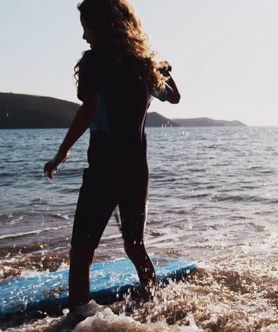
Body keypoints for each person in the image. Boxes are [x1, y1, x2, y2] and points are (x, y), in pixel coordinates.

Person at [44, 0, 180, 311]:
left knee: (81, 253)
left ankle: (77, 323)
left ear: (103, 25)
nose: (84, 37)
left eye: (86, 28)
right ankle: (155, 304)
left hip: (105, 168)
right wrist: (162, 67)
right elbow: (173, 96)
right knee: (135, 246)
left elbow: (90, 107)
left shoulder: (95, 61)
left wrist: (61, 152)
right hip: (137, 171)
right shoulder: (143, 64)